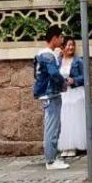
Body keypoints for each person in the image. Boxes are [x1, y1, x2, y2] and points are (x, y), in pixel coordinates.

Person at [33, 25, 71, 170]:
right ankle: (50, 161)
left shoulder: (44, 54)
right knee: (52, 129)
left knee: (54, 127)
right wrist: (64, 83)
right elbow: (54, 73)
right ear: (54, 38)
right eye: (61, 37)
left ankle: (52, 158)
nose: (62, 40)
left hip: (48, 93)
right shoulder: (48, 55)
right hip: (50, 94)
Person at [57, 38, 92, 157]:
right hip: (63, 94)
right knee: (65, 120)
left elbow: (85, 76)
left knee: (75, 119)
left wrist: (74, 80)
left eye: (73, 45)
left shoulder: (78, 61)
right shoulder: (58, 61)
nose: (71, 47)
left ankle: (75, 146)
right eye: (68, 45)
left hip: (76, 93)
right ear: (62, 47)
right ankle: (66, 146)